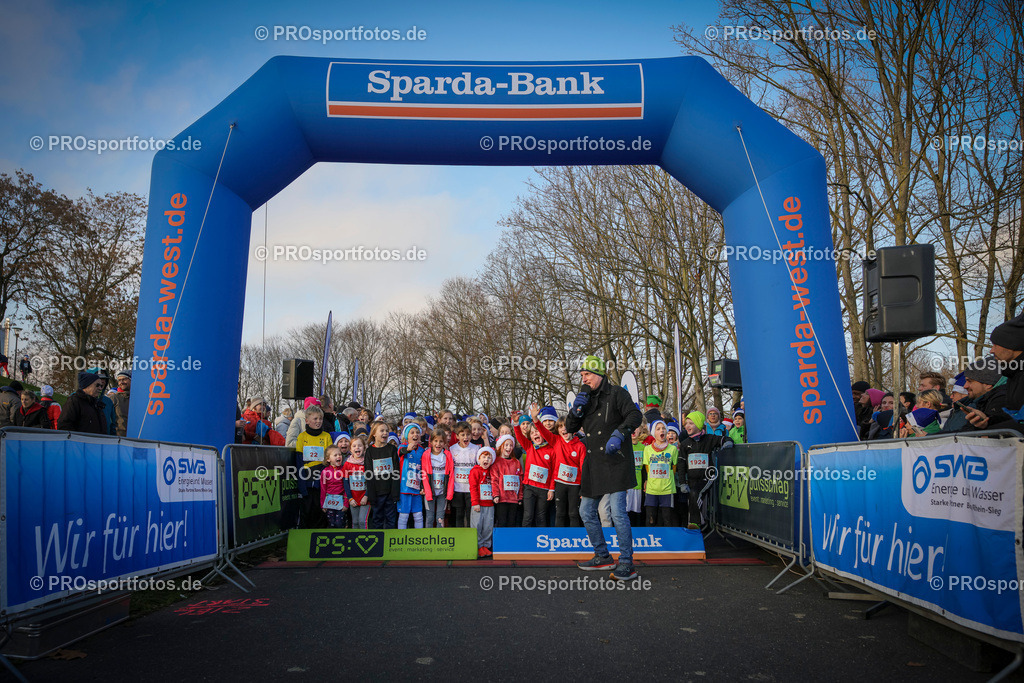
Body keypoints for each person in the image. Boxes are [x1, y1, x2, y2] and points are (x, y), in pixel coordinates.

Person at [566, 355, 642, 581]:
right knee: (585, 511)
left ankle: (627, 563)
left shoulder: (617, 393)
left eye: (587, 374)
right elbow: (570, 427)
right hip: (594, 463)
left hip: (616, 460)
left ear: (599, 374)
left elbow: (635, 415)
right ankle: (602, 555)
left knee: (618, 512)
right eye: (582, 375)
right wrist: (576, 410)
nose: (584, 378)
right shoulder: (585, 397)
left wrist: (619, 433)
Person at [678, 410, 732, 529]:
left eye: (691, 423)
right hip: (691, 479)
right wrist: (682, 482)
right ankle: (700, 523)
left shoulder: (709, 438)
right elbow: (681, 464)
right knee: (692, 499)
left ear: (698, 424)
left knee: (694, 494)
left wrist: (727, 444)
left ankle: (695, 522)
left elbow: (725, 439)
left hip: (708, 476)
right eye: (686, 423)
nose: (687, 426)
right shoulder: (685, 443)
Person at [533, 409, 585, 527]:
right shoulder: (556, 441)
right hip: (560, 484)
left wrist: (583, 487)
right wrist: (535, 419)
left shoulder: (580, 446)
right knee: (560, 513)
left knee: (573, 513)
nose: (563, 429)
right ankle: (559, 540)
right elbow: (543, 431)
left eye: (566, 426)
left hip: (575, 485)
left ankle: (574, 540)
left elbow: (583, 468)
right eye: (560, 427)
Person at [940, 357, 1014, 433]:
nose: (965, 386)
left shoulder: (1001, 400)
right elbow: (965, 431)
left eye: (970, 381)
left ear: (988, 384)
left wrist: (987, 422)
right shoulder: (981, 402)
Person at [515, 408, 557, 527]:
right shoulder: (529, 447)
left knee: (541, 516)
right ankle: (525, 540)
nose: (535, 434)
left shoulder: (552, 450)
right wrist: (515, 424)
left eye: (538, 432)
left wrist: (551, 489)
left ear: (543, 434)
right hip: (529, 487)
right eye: (532, 433)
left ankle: (541, 542)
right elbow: (518, 436)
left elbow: (554, 471)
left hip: (544, 489)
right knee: (528, 515)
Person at [295, 405, 331, 528]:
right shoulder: (302, 437)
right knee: (306, 511)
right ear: (307, 421)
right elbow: (299, 461)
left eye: (320, 419)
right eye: (315, 419)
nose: (318, 421)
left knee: (320, 512)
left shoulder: (326, 436)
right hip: (306, 480)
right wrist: (302, 484)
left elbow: (329, 461)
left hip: (321, 481)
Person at [643, 420, 678, 527]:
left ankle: (667, 542)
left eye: (663, 428)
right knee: (650, 518)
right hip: (652, 489)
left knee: (667, 519)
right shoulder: (647, 449)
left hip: (667, 489)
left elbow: (674, 467)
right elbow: (647, 468)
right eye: (658, 429)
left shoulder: (673, 449)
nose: (661, 430)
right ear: (654, 433)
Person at [365, 420, 400, 529]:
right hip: (376, 493)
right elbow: (369, 474)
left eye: (386, 431)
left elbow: (396, 472)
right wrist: (371, 494)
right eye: (382, 431)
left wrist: (395, 493)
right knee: (377, 520)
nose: (385, 433)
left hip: (390, 493)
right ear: (374, 433)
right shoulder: (370, 451)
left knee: (391, 519)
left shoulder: (392, 449)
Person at [990, 311, 1024, 416]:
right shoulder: (1012, 374)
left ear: (1012, 345)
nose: (991, 350)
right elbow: (1013, 416)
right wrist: (987, 421)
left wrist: (990, 431)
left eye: (995, 345)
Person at [469, 446, 499, 558]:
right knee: (477, 525)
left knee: (487, 526)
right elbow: (473, 488)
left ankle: (486, 546)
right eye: (484, 457)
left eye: (489, 457)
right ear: (479, 458)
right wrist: (475, 502)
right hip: (478, 504)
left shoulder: (493, 472)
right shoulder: (475, 471)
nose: (486, 460)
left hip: (489, 504)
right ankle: (477, 546)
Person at [422, 429, 454, 528]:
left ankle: (439, 539)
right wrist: (423, 488)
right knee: (429, 517)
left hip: (442, 493)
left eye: (441, 441)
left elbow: (451, 474)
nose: (438, 444)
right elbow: (422, 473)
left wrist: (449, 493)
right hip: (429, 492)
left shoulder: (447, 455)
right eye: (435, 441)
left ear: (445, 443)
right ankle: (428, 539)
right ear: (431, 442)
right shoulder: (426, 455)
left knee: (440, 518)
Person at [450, 421, 480, 528]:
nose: (465, 437)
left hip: (470, 489)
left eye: (468, 434)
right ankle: (459, 538)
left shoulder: (476, 449)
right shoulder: (452, 449)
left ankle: (468, 539)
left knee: (469, 514)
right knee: (459, 514)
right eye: (462, 435)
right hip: (457, 488)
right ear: (457, 436)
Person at [397, 423, 426, 529]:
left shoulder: (422, 450)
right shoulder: (402, 447)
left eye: (417, 432)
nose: (415, 435)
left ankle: (419, 538)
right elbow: (400, 453)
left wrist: (423, 487)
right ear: (406, 436)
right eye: (412, 432)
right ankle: (401, 539)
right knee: (403, 516)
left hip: (417, 489)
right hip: (404, 488)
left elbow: (424, 470)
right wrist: (408, 449)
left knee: (418, 516)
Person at [491, 433, 522, 527]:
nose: (509, 447)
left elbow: (520, 480)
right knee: (502, 521)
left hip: (513, 499)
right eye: (506, 445)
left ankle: (510, 541)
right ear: (501, 446)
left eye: (511, 445)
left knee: (511, 522)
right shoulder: (496, 462)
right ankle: (501, 541)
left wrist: (520, 497)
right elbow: (494, 480)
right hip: (501, 499)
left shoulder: (516, 462)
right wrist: (495, 495)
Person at [343, 436, 370, 529]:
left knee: (362, 521)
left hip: (365, 498)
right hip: (353, 498)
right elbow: (345, 483)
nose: (357, 448)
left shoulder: (367, 462)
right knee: (355, 522)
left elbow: (371, 481)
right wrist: (350, 498)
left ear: (364, 448)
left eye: (360, 446)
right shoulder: (347, 464)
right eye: (354, 446)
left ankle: (365, 540)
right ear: (350, 449)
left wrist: (366, 496)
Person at [320, 445, 349, 528]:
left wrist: (346, 503)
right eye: (335, 455)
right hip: (329, 503)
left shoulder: (344, 470)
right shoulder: (325, 472)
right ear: (328, 459)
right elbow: (323, 489)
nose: (338, 456)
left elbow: (347, 488)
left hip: (341, 503)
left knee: (340, 524)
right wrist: (323, 504)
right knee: (331, 524)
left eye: (340, 454)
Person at [113, 370, 131, 437]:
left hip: (137, 436)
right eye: (119, 380)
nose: (121, 382)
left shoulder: (139, 398)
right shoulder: (114, 398)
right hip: (120, 437)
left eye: (124, 379)